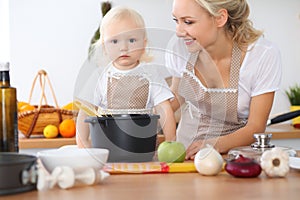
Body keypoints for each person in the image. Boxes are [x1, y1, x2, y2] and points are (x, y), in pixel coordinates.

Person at [166, 0, 282, 159]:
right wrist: (146, 115)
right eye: (176, 21)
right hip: (185, 153)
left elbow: (256, 126)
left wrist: (213, 145)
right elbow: (176, 97)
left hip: (236, 158)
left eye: (188, 22)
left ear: (220, 18)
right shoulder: (180, 47)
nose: (179, 31)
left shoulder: (261, 54)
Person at [76, 6, 176, 148]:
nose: (124, 47)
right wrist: (82, 142)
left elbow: (164, 109)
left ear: (144, 43)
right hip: (108, 145)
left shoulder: (151, 75)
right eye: (115, 41)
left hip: (143, 147)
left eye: (131, 40)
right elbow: (85, 110)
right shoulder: (100, 76)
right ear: (104, 46)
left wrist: (170, 141)